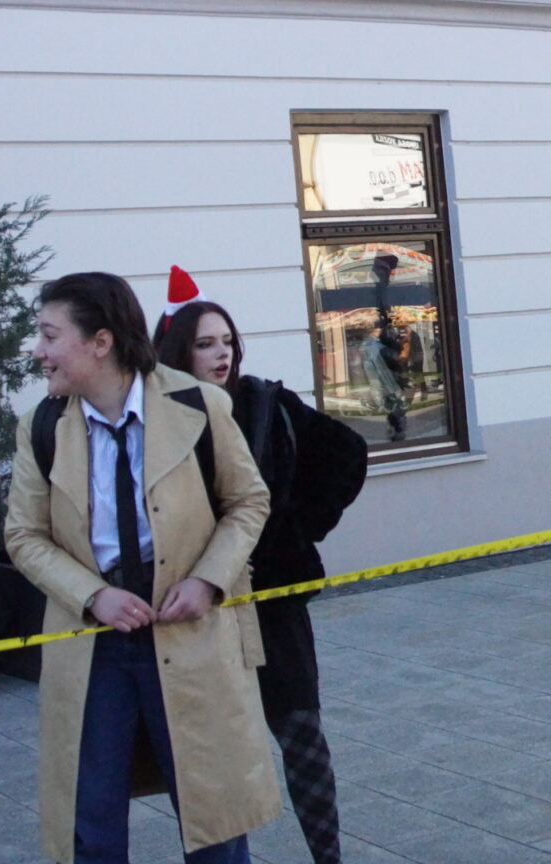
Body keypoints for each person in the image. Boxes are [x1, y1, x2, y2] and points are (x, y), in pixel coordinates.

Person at [5, 272, 280, 864]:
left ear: (100, 342)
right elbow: (23, 536)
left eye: (50, 335)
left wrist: (208, 579)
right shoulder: (42, 426)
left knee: (214, 817)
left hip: (190, 630)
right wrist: (91, 595)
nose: (38, 351)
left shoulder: (198, 405)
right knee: (91, 823)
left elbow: (248, 501)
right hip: (93, 643)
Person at [153, 294, 369, 864]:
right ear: (177, 351)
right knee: (210, 752)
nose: (221, 354)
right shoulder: (157, 418)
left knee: (301, 734)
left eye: (227, 342)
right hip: (198, 608)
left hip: (272, 604)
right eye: (205, 344)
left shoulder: (264, 403)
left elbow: (348, 453)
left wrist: (297, 529)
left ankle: (328, 857)